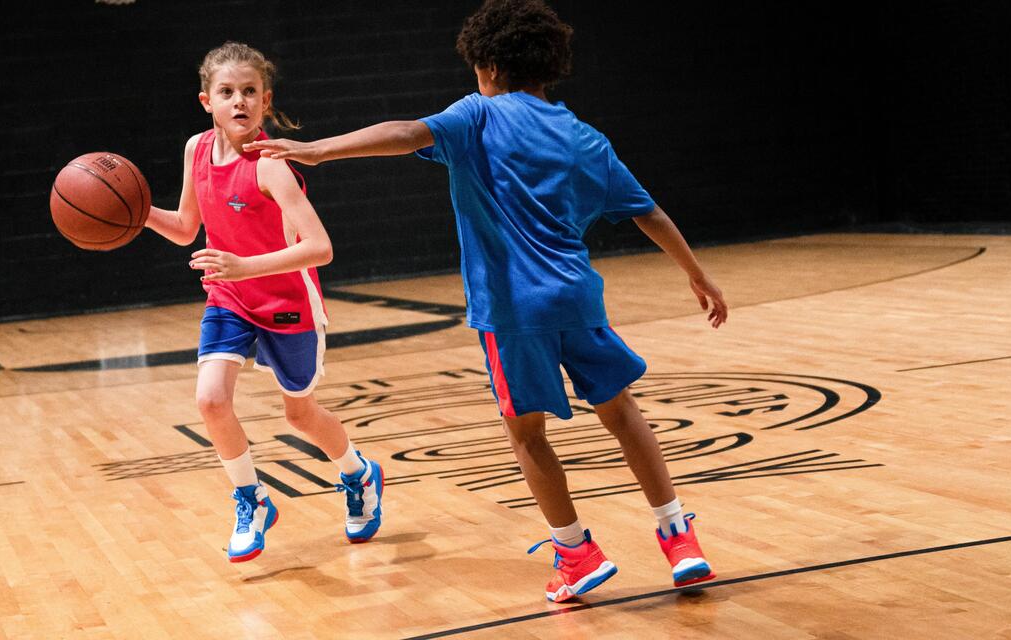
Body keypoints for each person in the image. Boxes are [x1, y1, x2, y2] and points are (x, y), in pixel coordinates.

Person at [249, 0, 727, 602]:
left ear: (491, 68)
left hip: (512, 311)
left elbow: (405, 134)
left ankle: (576, 552)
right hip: (578, 299)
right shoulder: (585, 137)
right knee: (623, 412)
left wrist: (317, 150)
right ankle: (678, 535)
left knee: (526, 434)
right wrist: (697, 275)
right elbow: (649, 213)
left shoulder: (478, 115)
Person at [142, 41, 384, 563]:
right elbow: (186, 229)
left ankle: (358, 474)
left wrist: (244, 265)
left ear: (265, 100)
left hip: (285, 301)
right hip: (228, 297)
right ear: (206, 100)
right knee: (210, 400)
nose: (239, 101)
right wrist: (139, 212)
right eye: (227, 92)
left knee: (299, 414)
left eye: (250, 92)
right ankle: (252, 499)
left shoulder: (271, 165)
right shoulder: (196, 150)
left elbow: (319, 248)